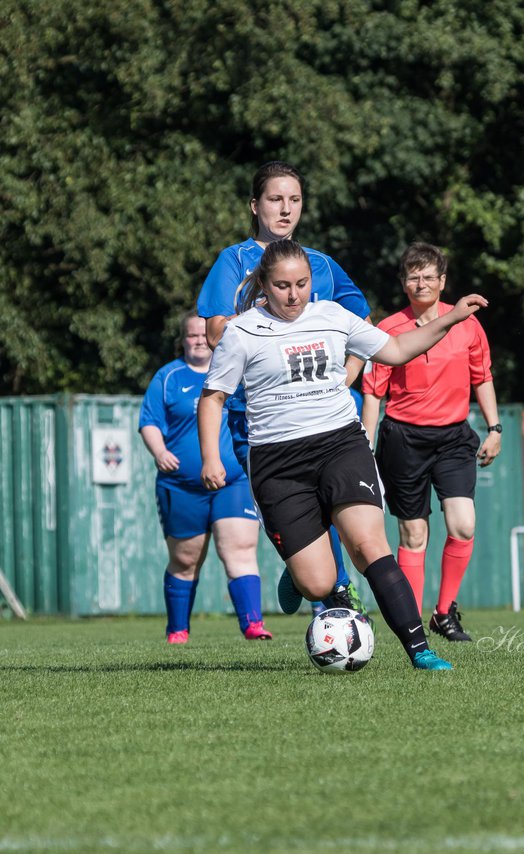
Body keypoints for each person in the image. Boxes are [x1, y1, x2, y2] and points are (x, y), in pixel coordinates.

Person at [199, 239, 488, 671]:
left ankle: (420, 650)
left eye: (301, 284)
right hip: (278, 463)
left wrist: (452, 318)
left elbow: (395, 350)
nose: (293, 294)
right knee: (317, 583)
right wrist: (211, 458)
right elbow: (213, 396)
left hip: (340, 443)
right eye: (282, 286)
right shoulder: (242, 331)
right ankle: (301, 567)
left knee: (368, 544)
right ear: (264, 283)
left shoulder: (332, 316)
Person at [195, 161, 368, 614]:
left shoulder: (322, 265)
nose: (285, 209)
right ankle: (315, 582)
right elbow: (214, 332)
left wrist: (347, 375)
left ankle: (336, 606)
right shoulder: (234, 261)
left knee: (337, 506)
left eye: (294, 199)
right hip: (256, 419)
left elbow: (364, 326)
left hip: (324, 415)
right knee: (297, 511)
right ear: (255, 206)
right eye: (275, 199)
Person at [361, 242, 501, 642]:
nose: (420, 283)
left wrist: (495, 429)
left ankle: (444, 613)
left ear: (442, 281)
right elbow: (374, 392)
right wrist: (365, 448)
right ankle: (413, 625)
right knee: (414, 535)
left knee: (464, 524)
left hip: (454, 437)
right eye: (413, 276)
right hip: (403, 439)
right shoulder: (387, 330)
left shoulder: (467, 324)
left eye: (429, 276)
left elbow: (483, 376)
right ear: (403, 282)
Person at [139, 314, 273, 643]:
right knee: (185, 559)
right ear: (182, 340)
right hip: (182, 485)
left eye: (204, 334)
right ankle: (178, 630)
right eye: (191, 335)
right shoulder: (168, 377)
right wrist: (159, 451)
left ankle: (253, 625)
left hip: (234, 480)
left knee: (240, 548)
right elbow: (149, 421)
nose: (199, 340)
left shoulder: (237, 371)